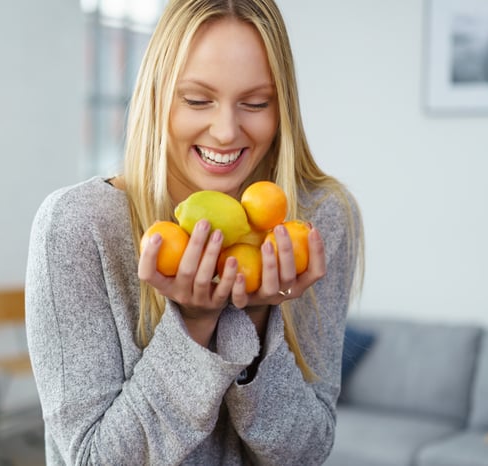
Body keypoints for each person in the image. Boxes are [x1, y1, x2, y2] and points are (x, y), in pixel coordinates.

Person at [26, 0, 364, 464]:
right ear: (157, 96)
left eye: (256, 103)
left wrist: (261, 319)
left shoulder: (319, 219)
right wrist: (192, 324)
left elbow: (306, 451)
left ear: (282, 105)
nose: (226, 131)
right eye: (197, 100)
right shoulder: (79, 224)